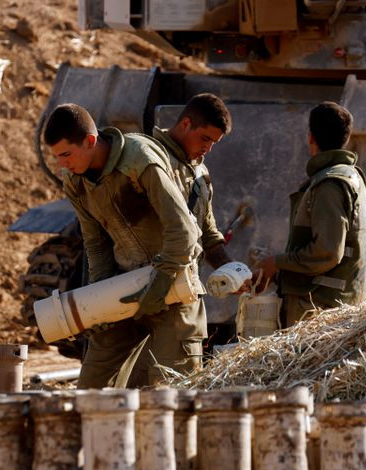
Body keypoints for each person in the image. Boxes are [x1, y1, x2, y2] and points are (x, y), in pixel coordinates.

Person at [43, 103, 207, 388]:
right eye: (57, 157)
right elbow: (95, 244)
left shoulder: (140, 160)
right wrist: (98, 301)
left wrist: (162, 280)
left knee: (170, 393)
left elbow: (183, 230)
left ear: (90, 141)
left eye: (66, 154)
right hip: (122, 289)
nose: (63, 165)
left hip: (174, 288)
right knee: (90, 389)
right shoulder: (75, 181)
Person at [253, 101, 366, 327]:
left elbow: (327, 253)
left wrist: (275, 263)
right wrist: (278, 274)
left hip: (318, 312)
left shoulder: (329, 185)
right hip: (338, 310)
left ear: (311, 138)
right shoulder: (353, 179)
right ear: (346, 139)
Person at [152, 93, 234, 270]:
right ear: (186, 124)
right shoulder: (150, 160)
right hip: (146, 279)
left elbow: (208, 234)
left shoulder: (200, 174)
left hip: (187, 286)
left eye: (213, 142)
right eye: (205, 139)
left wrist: (230, 271)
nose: (208, 149)